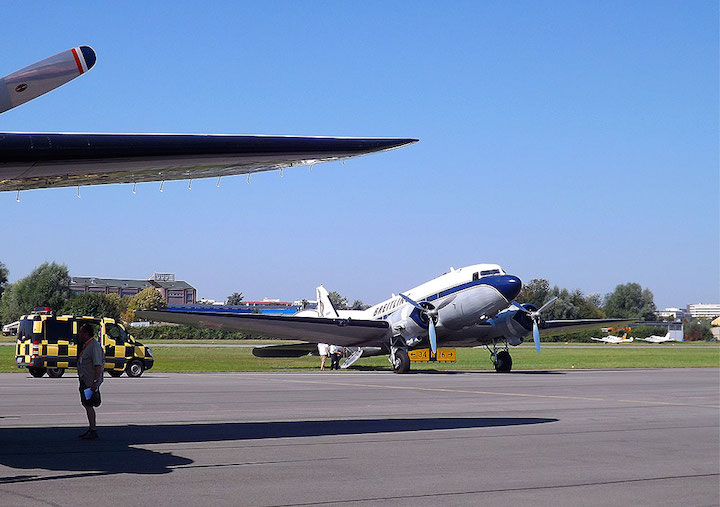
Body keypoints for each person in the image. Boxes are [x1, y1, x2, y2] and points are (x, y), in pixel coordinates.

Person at [77, 323, 104, 439]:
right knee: (86, 403)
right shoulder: (86, 345)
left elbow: (97, 366)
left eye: (81, 332)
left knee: (89, 404)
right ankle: (91, 428)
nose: (79, 334)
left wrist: (95, 382)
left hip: (90, 382)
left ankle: (93, 429)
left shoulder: (94, 346)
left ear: (87, 334)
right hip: (85, 380)